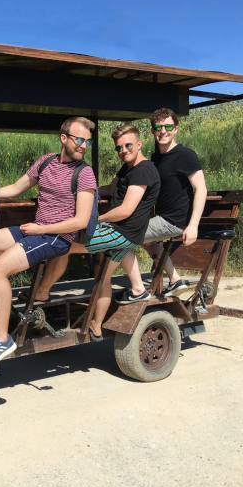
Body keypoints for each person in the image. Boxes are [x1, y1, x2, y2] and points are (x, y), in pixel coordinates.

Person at [0, 117, 97, 367]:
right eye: (80, 139)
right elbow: (16, 188)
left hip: (56, 237)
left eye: (88, 141)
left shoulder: (84, 173)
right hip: (35, 230)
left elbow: (81, 221)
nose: (84, 145)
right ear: (64, 138)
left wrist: (42, 228)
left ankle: (2, 339)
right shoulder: (46, 162)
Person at [37, 124, 160, 341]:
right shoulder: (128, 167)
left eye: (128, 145)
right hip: (125, 235)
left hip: (121, 232)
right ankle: (96, 327)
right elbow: (110, 190)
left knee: (63, 244)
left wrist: (95, 219)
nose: (124, 150)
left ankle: (41, 292)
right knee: (103, 276)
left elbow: (125, 210)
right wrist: (84, 190)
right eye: (119, 147)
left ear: (139, 144)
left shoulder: (143, 170)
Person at [117, 108, 207, 302]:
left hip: (174, 220)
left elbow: (201, 189)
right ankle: (175, 280)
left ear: (176, 129)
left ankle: (138, 290)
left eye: (168, 127)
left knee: (119, 236)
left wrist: (193, 225)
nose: (163, 131)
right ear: (152, 130)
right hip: (161, 218)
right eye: (158, 127)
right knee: (147, 240)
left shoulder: (185, 155)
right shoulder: (156, 157)